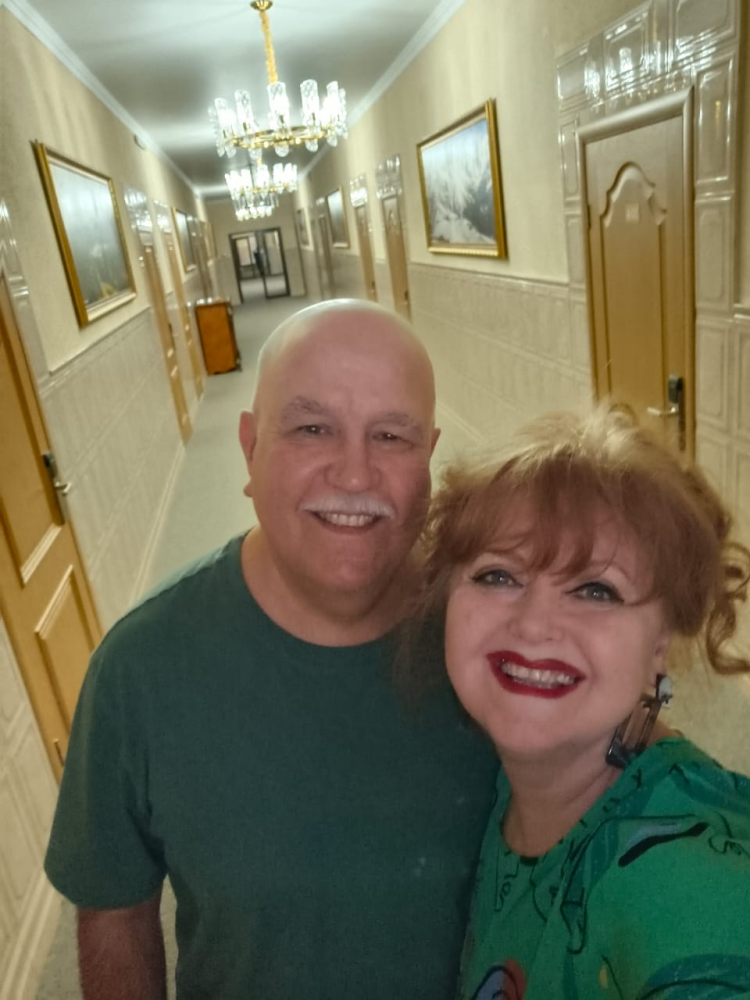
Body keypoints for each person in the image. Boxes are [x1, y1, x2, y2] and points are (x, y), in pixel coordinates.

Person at [44, 300, 498, 1000]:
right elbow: (115, 910)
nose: (355, 476)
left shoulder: (491, 636)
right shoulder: (140, 668)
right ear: (250, 447)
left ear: (429, 457)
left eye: (391, 436)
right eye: (313, 428)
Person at [419, 404, 750, 999]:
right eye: (498, 576)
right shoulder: (504, 781)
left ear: (662, 645)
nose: (533, 625)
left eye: (596, 590)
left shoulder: (685, 878)